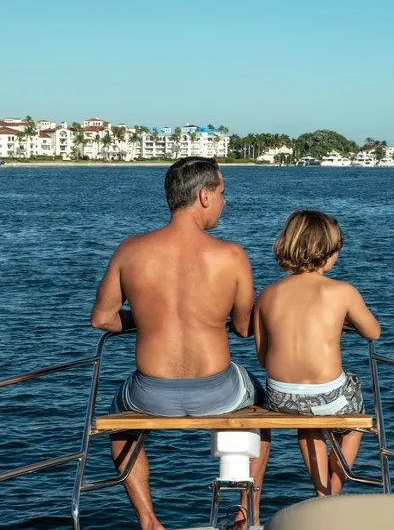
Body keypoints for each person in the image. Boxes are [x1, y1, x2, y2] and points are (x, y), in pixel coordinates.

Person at [90, 156, 270, 530]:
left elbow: (103, 319)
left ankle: (149, 520)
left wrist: (148, 316)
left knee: (119, 425)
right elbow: (241, 327)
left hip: (149, 393)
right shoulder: (232, 255)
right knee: (263, 405)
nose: (224, 201)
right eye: (222, 193)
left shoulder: (130, 249)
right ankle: (244, 512)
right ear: (204, 196)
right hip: (218, 391)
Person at [252, 210, 381, 497]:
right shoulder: (342, 291)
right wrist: (342, 323)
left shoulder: (268, 294)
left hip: (281, 397)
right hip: (329, 397)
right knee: (354, 419)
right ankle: (331, 491)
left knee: (307, 423)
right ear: (325, 253)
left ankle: (322, 494)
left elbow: (262, 357)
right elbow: (373, 332)